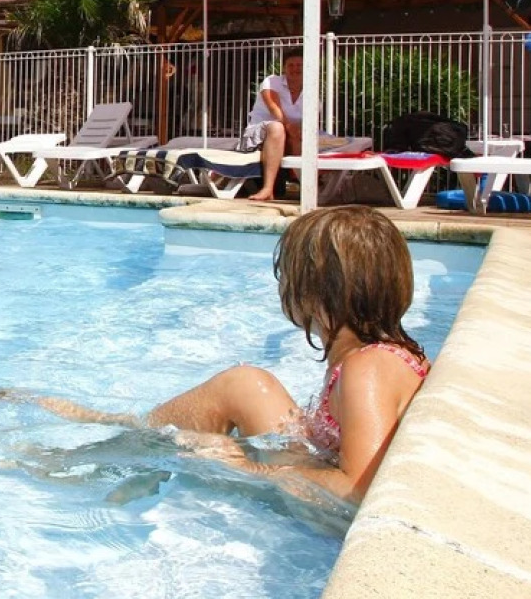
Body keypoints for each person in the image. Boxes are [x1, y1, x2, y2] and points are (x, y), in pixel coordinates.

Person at [137, 206, 430, 504]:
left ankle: (133, 447)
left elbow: (358, 491)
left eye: (287, 274)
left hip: (331, 519)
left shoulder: (368, 369)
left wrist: (249, 468)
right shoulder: (373, 357)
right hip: (320, 470)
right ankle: (139, 436)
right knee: (246, 385)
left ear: (314, 294)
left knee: (235, 395)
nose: (282, 285)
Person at [240, 48, 304, 202]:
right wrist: (291, 129)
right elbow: (275, 109)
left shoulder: (311, 92)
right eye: (290, 65)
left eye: (299, 65)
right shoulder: (272, 82)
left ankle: (309, 185)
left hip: (289, 137)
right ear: (284, 68)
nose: (295, 69)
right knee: (277, 127)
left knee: (309, 136)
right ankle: (268, 189)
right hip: (258, 136)